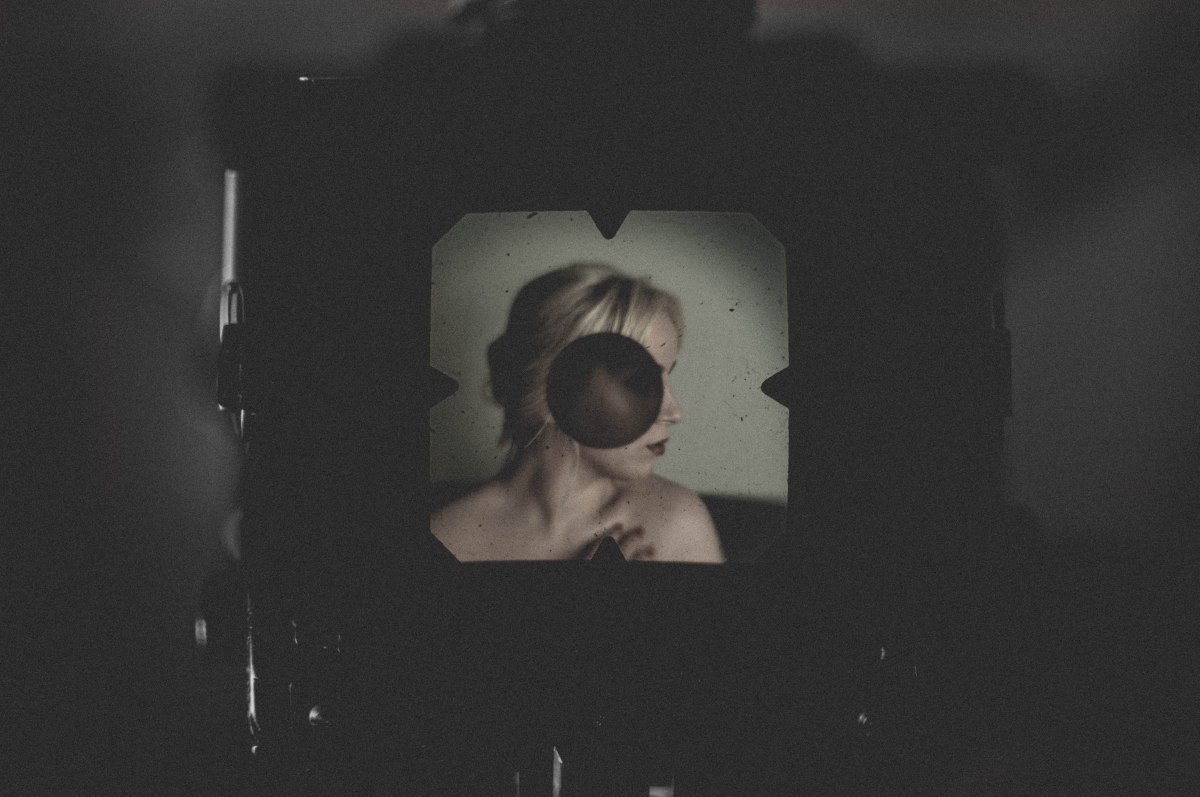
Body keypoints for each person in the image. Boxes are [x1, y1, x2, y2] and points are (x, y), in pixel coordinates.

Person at [432, 263, 725, 563]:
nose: (675, 413)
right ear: (550, 395)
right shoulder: (449, 537)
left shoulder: (677, 523)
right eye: (639, 383)